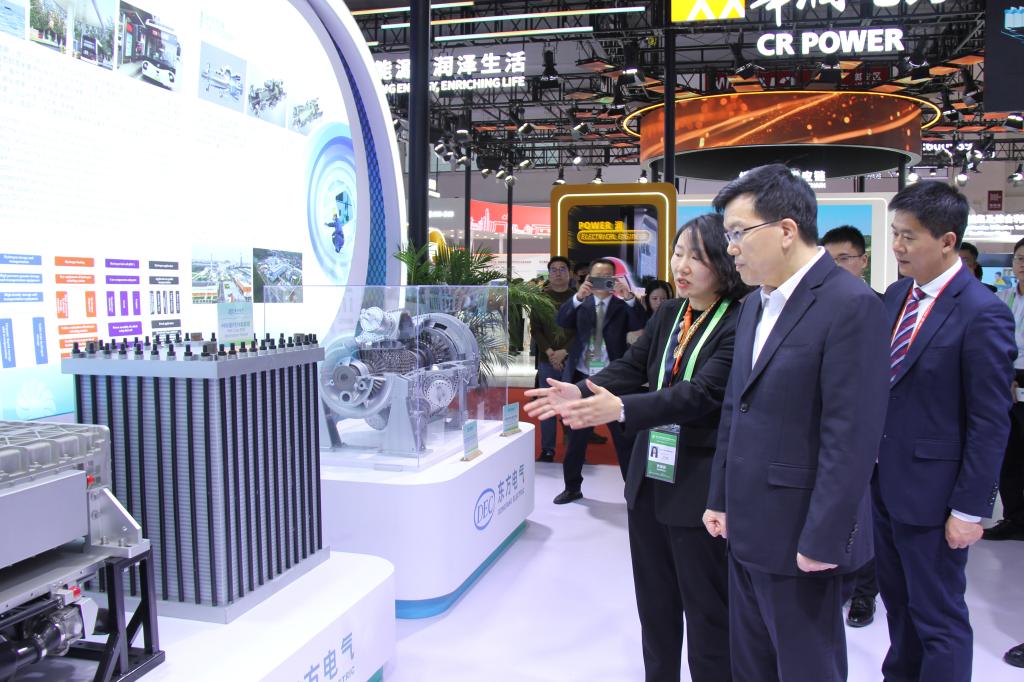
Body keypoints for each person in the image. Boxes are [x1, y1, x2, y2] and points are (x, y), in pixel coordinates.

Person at [525, 214, 745, 681]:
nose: (682, 266)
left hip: (699, 485)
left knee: (707, 613)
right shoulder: (669, 314)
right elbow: (630, 366)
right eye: (679, 254)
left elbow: (700, 394)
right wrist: (580, 390)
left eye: (697, 258)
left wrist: (621, 408)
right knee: (655, 607)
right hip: (649, 480)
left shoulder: (740, 320)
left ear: (724, 263)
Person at [702, 163, 890, 682]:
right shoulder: (753, 306)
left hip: (802, 534)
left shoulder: (850, 305)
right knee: (751, 665)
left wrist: (823, 538)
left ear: (786, 229)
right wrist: (719, 496)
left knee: (807, 667)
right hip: (745, 526)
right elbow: (734, 409)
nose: (731, 248)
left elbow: (851, 438)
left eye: (738, 233)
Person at [874, 181, 1016, 682]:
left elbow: (990, 420)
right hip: (883, 487)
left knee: (939, 616)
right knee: (898, 609)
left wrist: (970, 509)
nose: (897, 246)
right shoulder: (896, 296)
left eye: (908, 236)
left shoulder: (983, 312)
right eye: (895, 233)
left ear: (948, 241)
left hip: (936, 499)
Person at [821, 225, 881, 628]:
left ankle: (865, 594)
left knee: (866, 515)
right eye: (828, 260)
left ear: (863, 261)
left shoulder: (878, 304)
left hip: (869, 432)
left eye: (844, 258)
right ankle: (838, 587)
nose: (836, 267)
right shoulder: (816, 307)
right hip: (828, 434)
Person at [546, 258, 644, 503]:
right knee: (576, 438)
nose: (603, 282)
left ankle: (633, 492)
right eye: (597, 277)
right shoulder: (582, 303)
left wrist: (628, 297)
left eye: (608, 277)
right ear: (589, 278)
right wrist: (578, 296)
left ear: (615, 278)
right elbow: (561, 320)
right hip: (583, 377)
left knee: (623, 439)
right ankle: (572, 487)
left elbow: (641, 323)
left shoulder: (622, 306)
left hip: (615, 380)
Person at [986, 237, 1024, 542]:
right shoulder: (1002, 299)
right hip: (1006, 383)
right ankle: (1014, 518)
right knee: (1009, 456)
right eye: (1020, 258)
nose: (1023, 264)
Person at [530, 256, 576, 463]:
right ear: (549, 274)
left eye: (562, 269)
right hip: (546, 359)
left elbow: (581, 329)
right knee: (548, 405)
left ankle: (574, 449)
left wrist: (564, 352)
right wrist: (550, 352)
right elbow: (535, 329)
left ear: (569, 273)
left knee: (572, 404)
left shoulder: (577, 298)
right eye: (554, 270)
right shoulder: (541, 298)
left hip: (571, 359)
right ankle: (547, 449)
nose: (558, 273)